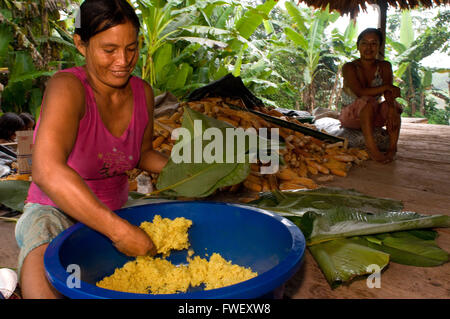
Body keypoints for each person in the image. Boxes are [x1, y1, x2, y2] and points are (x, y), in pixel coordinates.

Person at [15, 0, 169, 299]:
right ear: (81, 44)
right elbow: (46, 171)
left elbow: (142, 154)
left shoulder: (142, 92)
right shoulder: (67, 87)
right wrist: (120, 232)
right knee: (44, 287)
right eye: (109, 50)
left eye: (131, 48)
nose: (123, 60)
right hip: (54, 212)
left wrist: (194, 171)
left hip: (117, 210)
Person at [339, 28, 402, 163]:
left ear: (379, 46)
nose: (369, 48)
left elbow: (389, 93)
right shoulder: (349, 67)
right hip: (352, 116)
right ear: (358, 46)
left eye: (374, 43)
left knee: (394, 106)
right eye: (364, 43)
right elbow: (360, 92)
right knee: (367, 101)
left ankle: (392, 148)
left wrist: (391, 109)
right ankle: (373, 149)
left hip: (372, 115)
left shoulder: (384, 66)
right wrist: (386, 86)